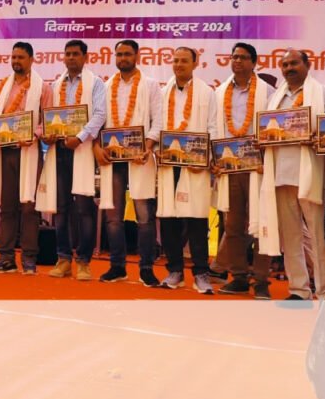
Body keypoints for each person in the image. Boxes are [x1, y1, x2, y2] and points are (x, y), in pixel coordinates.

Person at [257, 49, 325, 300]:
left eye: (294, 63)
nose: (289, 68)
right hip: (280, 174)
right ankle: (298, 289)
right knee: (290, 237)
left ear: (308, 64)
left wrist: (320, 137)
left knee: (319, 236)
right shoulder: (274, 99)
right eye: (284, 65)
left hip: (312, 174)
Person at [96, 40, 161, 286]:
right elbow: (99, 121)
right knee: (113, 216)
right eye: (119, 54)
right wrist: (96, 147)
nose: (122, 58)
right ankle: (117, 266)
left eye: (127, 54)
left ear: (137, 56)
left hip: (139, 158)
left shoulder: (151, 85)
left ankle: (146, 269)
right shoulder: (105, 87)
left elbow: (158, 120)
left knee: (144, 217)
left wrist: (148, 147)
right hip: (113, 159)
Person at [40, 40, 105, 281]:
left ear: (85, 57)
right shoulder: (56, 84)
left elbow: (100, 114)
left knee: (84, 208)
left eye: (76, 54)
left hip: (82, 149)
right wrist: (47, 133)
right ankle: (63, 258)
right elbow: (49, 117)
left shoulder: (95, 83)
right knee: (62, 208)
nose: (71, 58)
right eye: (67, 54)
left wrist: (79, 137)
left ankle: (84, 262)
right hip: (59, 150)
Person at [212, 43, 273, 299]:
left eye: (243, 57)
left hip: (258, 167)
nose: (237, 61)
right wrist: (215, 157)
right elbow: (213, 127)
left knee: (261, 223)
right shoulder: (219, 93)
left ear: (254, 62)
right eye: (234, 57)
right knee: (233, 224)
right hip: (230, 167)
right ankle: (238, 277)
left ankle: (261, 280)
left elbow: (272, 125)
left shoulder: (267, 91)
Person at [0, 42, 51, 274]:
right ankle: (6, 257)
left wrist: (34, 134)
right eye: (13, 57)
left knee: (29, 207)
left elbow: (48, 121)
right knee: (7, 207)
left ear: (32, 60)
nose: (16, 61)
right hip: (5, 152)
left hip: (29, 152)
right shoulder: (3, 86)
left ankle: (29, 258)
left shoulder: (43, 88)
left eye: (21, 57)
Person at [156, 47, 217, 294]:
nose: (179, 65)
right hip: (169, 163)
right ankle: (175, 271)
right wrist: (156, 150)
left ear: (195, 63)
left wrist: (205, 157)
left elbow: (213, 126)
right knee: (169, 219)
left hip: (195, 165)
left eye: (184, 61)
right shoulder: (163, 93)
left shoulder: (207, 93)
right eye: (175, 61)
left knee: (197, 219)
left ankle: (201, 273)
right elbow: (156, 125)